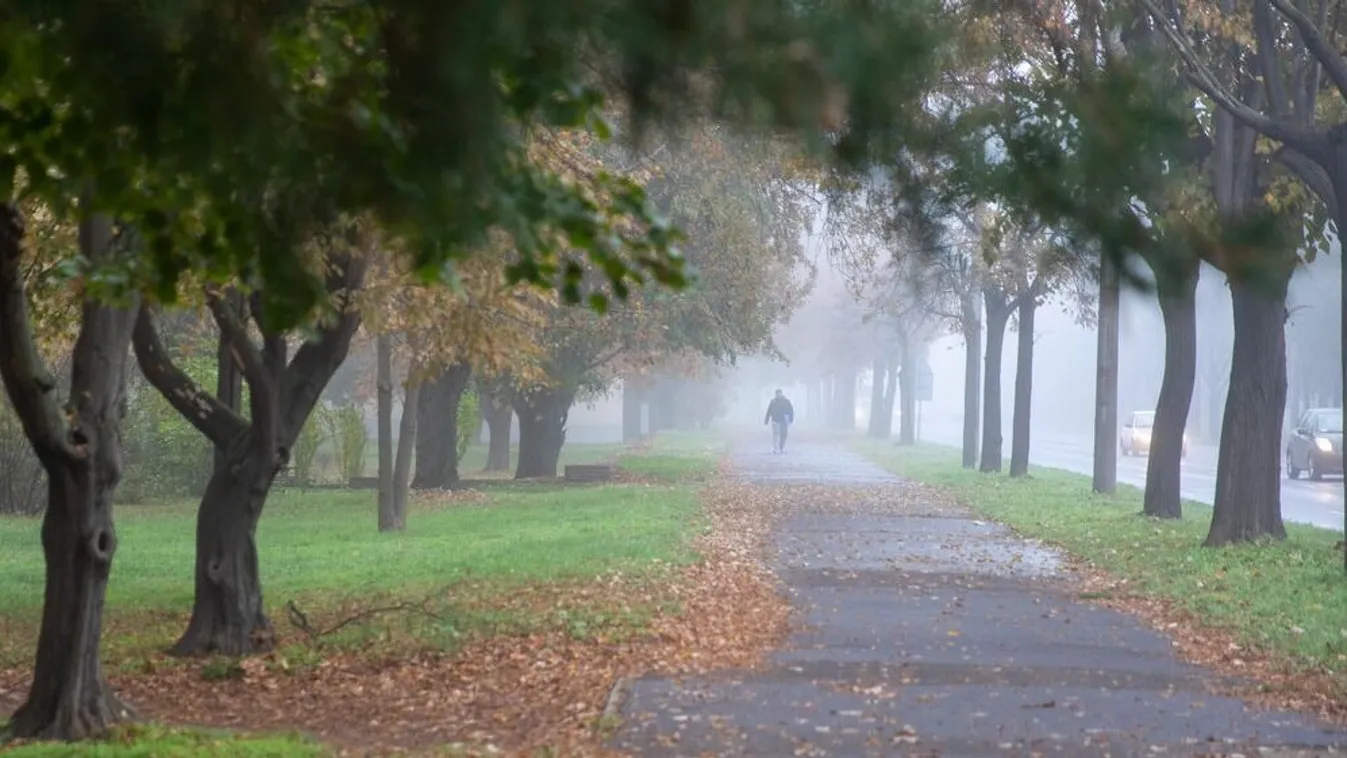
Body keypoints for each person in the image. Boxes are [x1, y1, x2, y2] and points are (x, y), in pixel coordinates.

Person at [763, 389, 795, 454]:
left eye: (779, 393)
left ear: (781, 393)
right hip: (775, 420)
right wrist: (766, 420)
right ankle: (775, 447)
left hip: (784, 421)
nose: (778, 395)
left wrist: (791, 419)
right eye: (777, 393)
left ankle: (781, 447)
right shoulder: (773, 402)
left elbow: (791, 410)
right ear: (776, 394)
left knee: (784, 434)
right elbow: (769, 411)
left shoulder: (786, 401)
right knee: (776, 434)